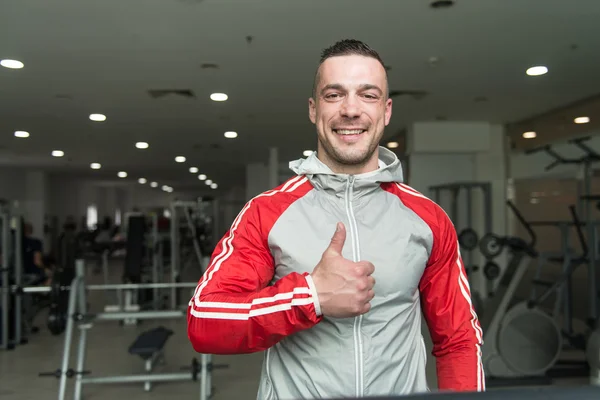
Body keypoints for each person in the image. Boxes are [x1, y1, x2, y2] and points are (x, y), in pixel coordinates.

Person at [187, 39, 484, 399]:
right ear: (313, 109)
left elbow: (459, 340)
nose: (351, 109)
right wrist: (310, 296)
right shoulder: (266, 212)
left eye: (368, 95)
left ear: (386, 111)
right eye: (334, 94)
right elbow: (205, 320)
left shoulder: (427, 218)